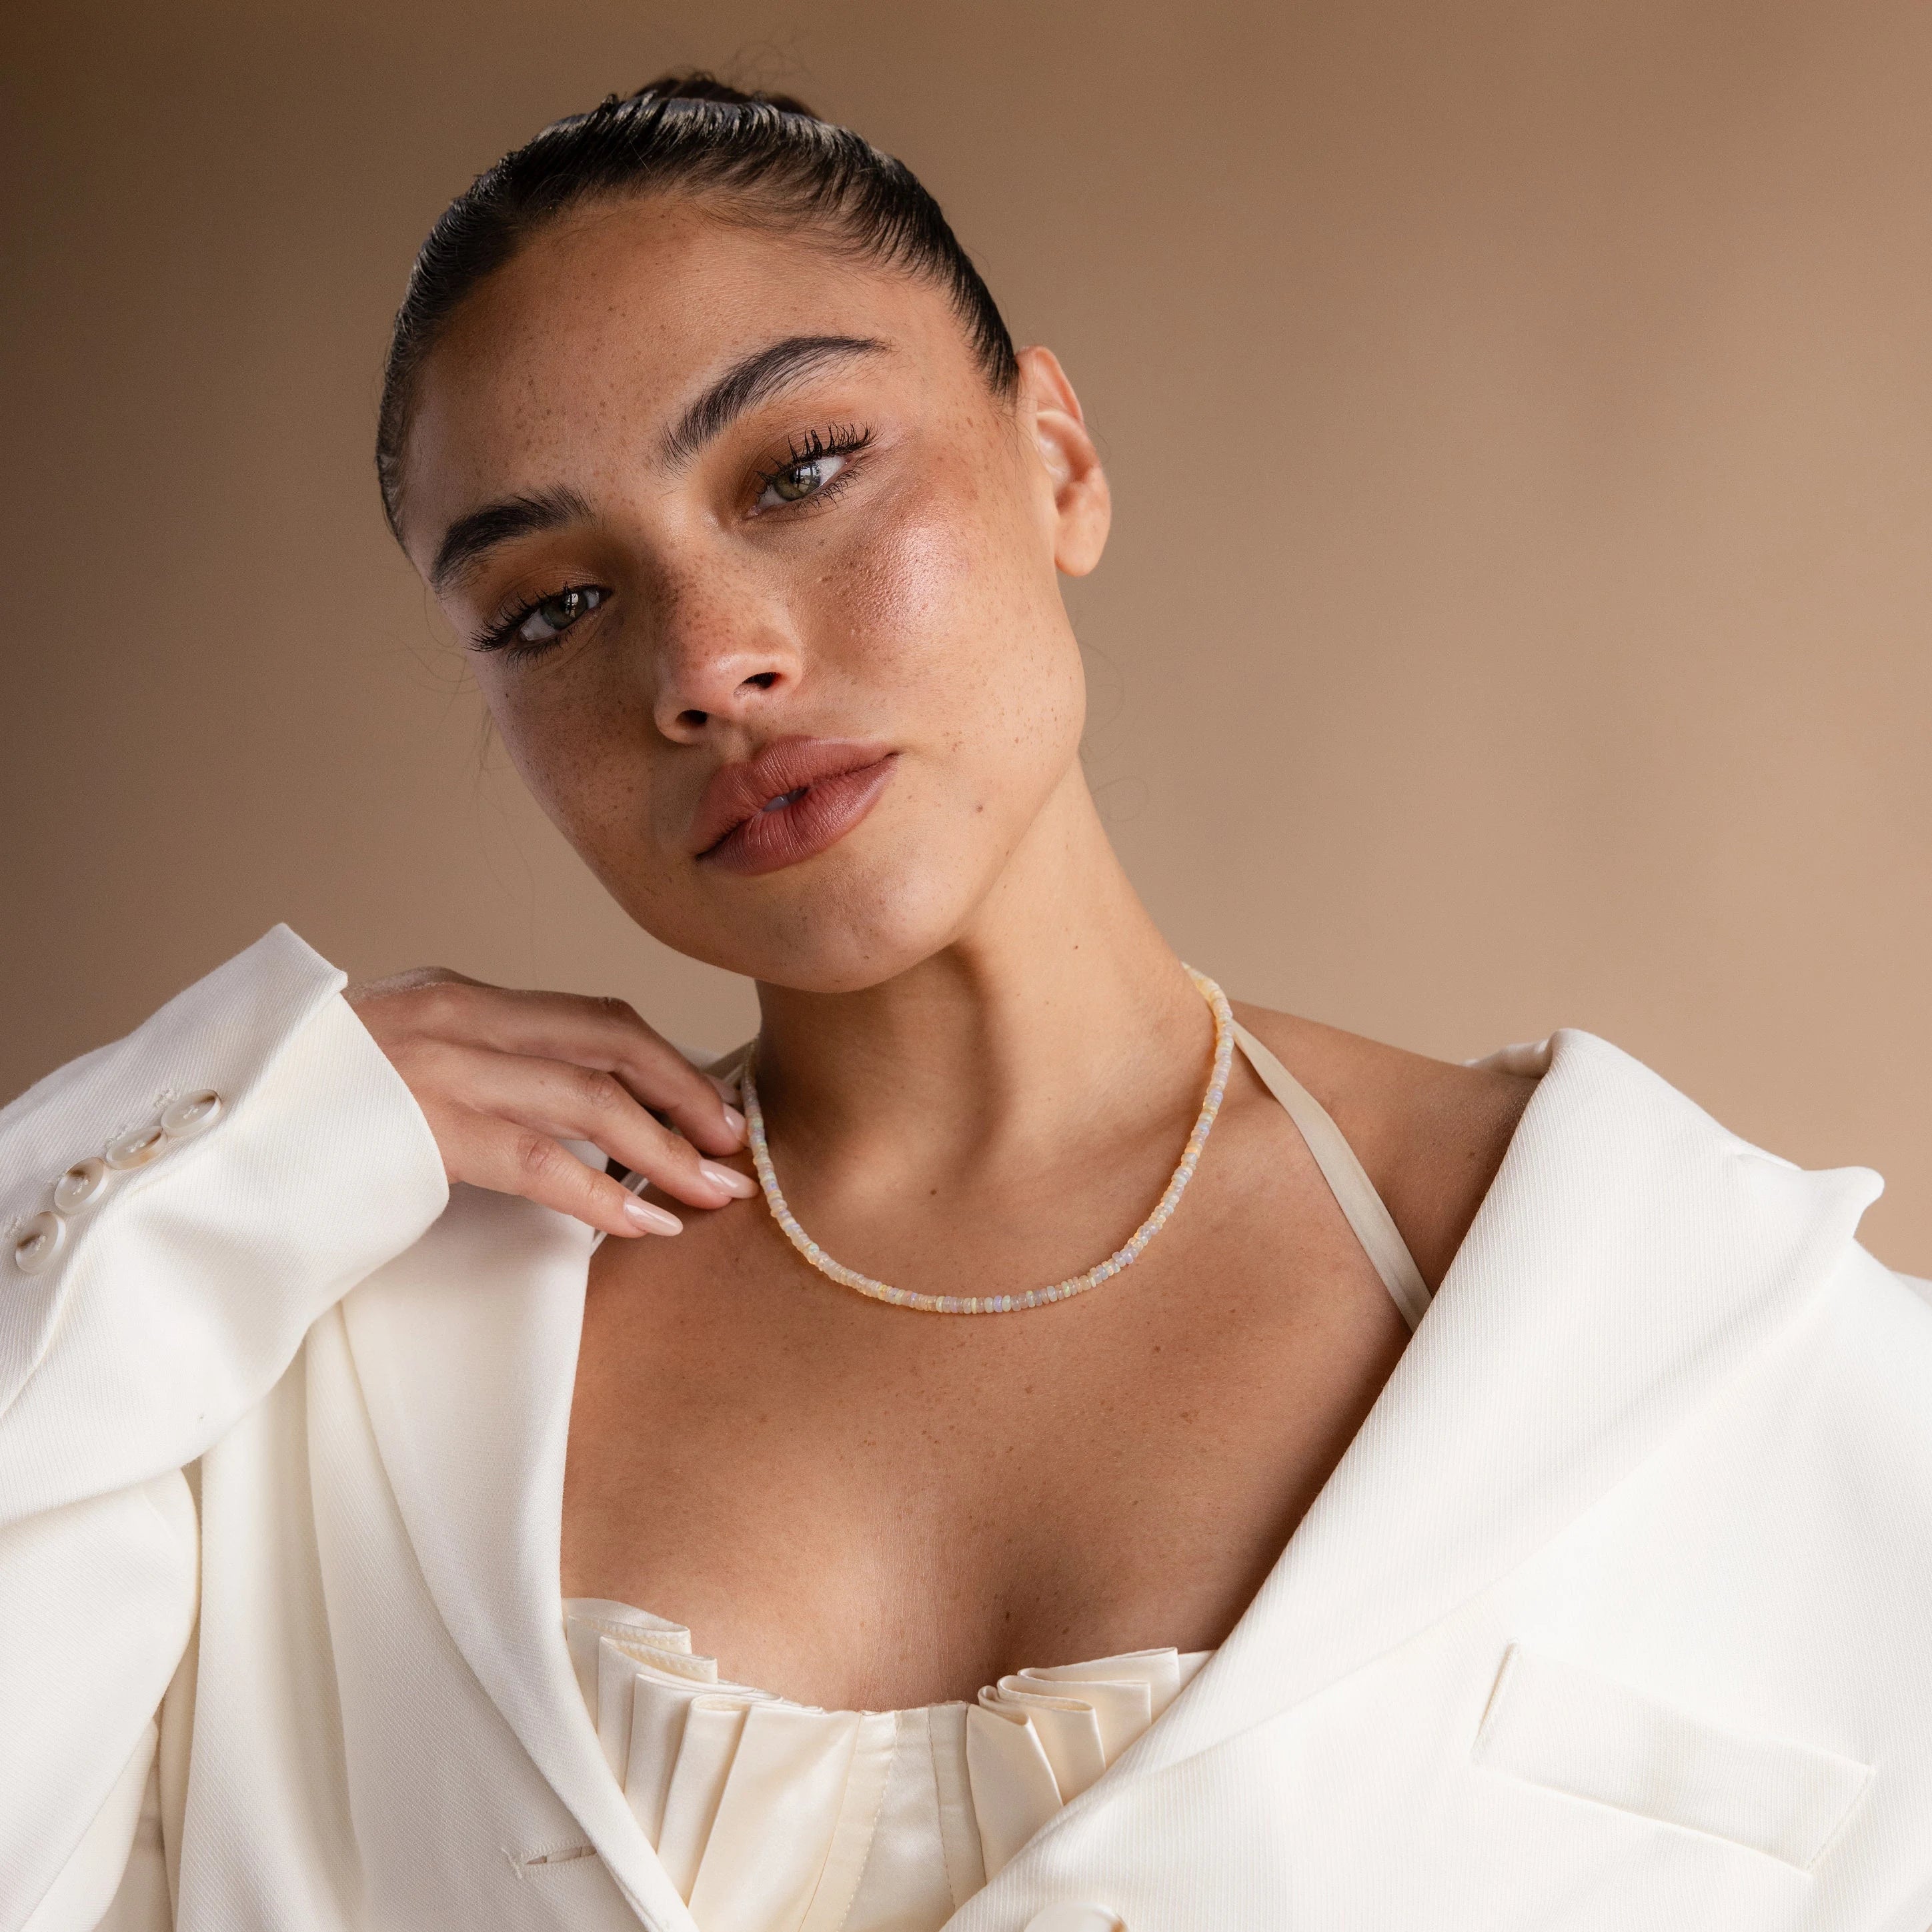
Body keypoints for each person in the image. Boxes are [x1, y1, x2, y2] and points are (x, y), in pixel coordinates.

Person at [3, 73, 1927, 1932]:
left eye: (801, 467)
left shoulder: (1687, 1333)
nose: (707, 660)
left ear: (1059, 460)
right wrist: (219, 1143)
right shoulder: (315, 1368)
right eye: (550, 608)